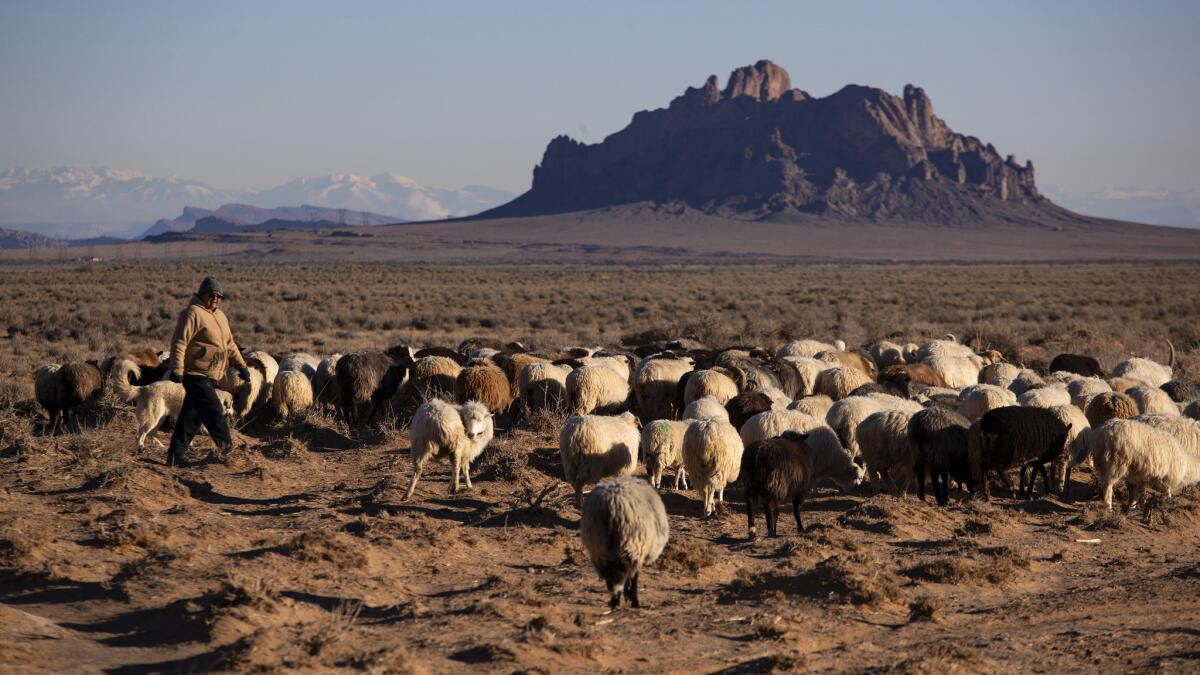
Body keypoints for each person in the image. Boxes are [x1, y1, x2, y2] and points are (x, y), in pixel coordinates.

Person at [165, 276, 250, 466]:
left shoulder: (220, 316)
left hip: (212, 374)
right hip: (195, 373)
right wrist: (177, 369)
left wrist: (241, 365)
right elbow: (179, 342)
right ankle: (227, 449)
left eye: (219, 296)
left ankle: (176, 455)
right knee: (215, 411)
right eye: (212, 295)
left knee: (191, 417)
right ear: (202, 294)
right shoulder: (192, 313)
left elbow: (230, 344)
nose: (216, 299)